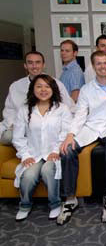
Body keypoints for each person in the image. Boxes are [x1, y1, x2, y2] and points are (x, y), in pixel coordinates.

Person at [57, 50, 106, 225]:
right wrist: (70, 135)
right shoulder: (86, 89)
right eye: (98, 63)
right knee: (67, 149)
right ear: (93, 66)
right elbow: (80, 115)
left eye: (105, 63)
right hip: (91, 126)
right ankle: (70, 198)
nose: (103, 66)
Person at [13, 74, 72, 221]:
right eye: (39, 86)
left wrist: (55, 151)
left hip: (54, 153)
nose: (43, 90)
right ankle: (25, 205)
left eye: (47, 86)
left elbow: (66, 132)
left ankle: (55, 204)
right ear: (33, 89)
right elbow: (18, 137)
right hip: (33, 153)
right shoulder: (24, 110)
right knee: (28, 175)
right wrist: (25, 155)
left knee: (47, 170)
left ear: (53, 89)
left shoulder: (62, 109)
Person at [0, 51, 74, 145]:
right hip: (22, 127)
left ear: (43, 65)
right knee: (7, 137)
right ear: (25, 66)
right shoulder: (15, 86)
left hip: (49, 128)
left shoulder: (56, 84)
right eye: (30, 63)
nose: (34, 66)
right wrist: (13, 124)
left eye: (38, 62)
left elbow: (68, 107)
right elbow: (9, 110)